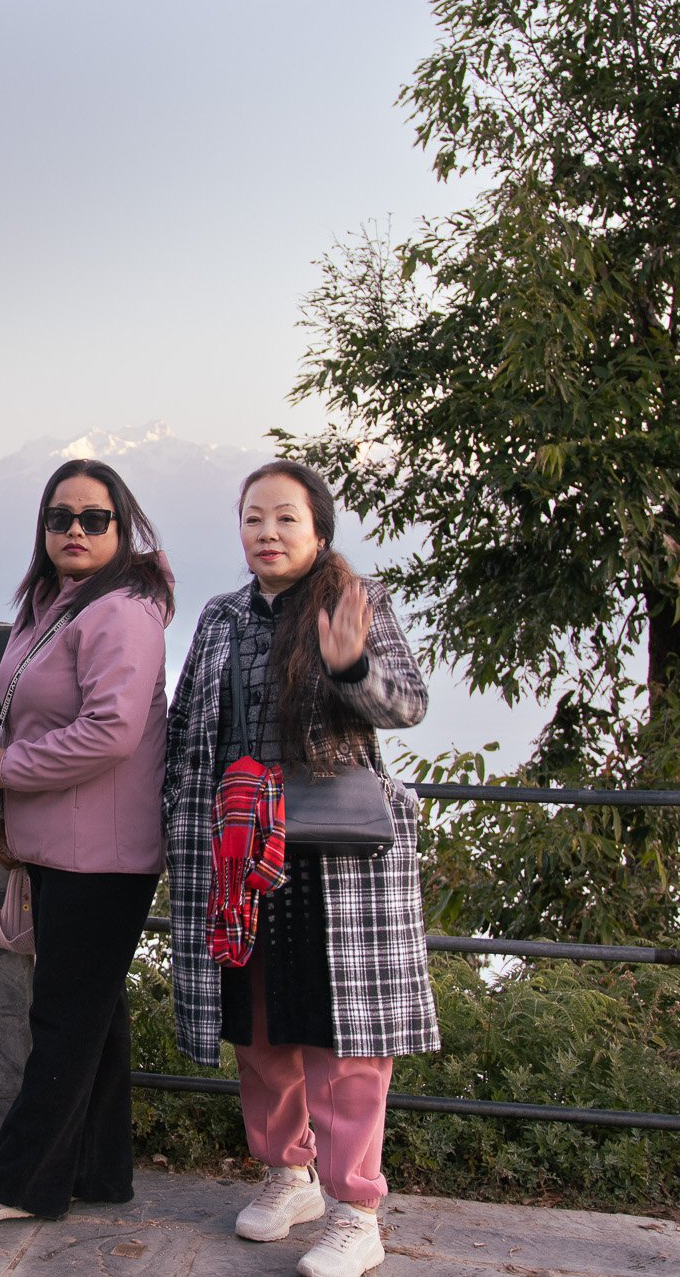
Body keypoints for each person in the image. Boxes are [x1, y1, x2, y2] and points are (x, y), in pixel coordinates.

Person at [162, 460, 434, 1277]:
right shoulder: (221, 615)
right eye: (254, 518)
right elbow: (186, 726)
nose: (268, 533)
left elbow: (408, 704)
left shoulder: (355, 600)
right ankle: (289, 1173)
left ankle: (356, 1209)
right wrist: (175, 818)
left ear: (319, 528)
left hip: (334, 857)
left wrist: (350, 666)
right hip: (238, 849)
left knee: (343, 1037)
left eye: (285, 517)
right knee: (258, 1024)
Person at [0, 460, 174, 1225]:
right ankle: (98, 1171)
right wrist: (5, 813)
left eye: (94, 518)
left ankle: (14, 1183)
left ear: (122, 527)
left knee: (65, 1018)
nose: (74, 529)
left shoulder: (123, 611)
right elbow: (23, 708)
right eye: (60, 516)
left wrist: (8, 771)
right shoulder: (54, 604)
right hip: (63, 845)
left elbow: (110, 731)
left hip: (103, 853)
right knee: (92, 1014)